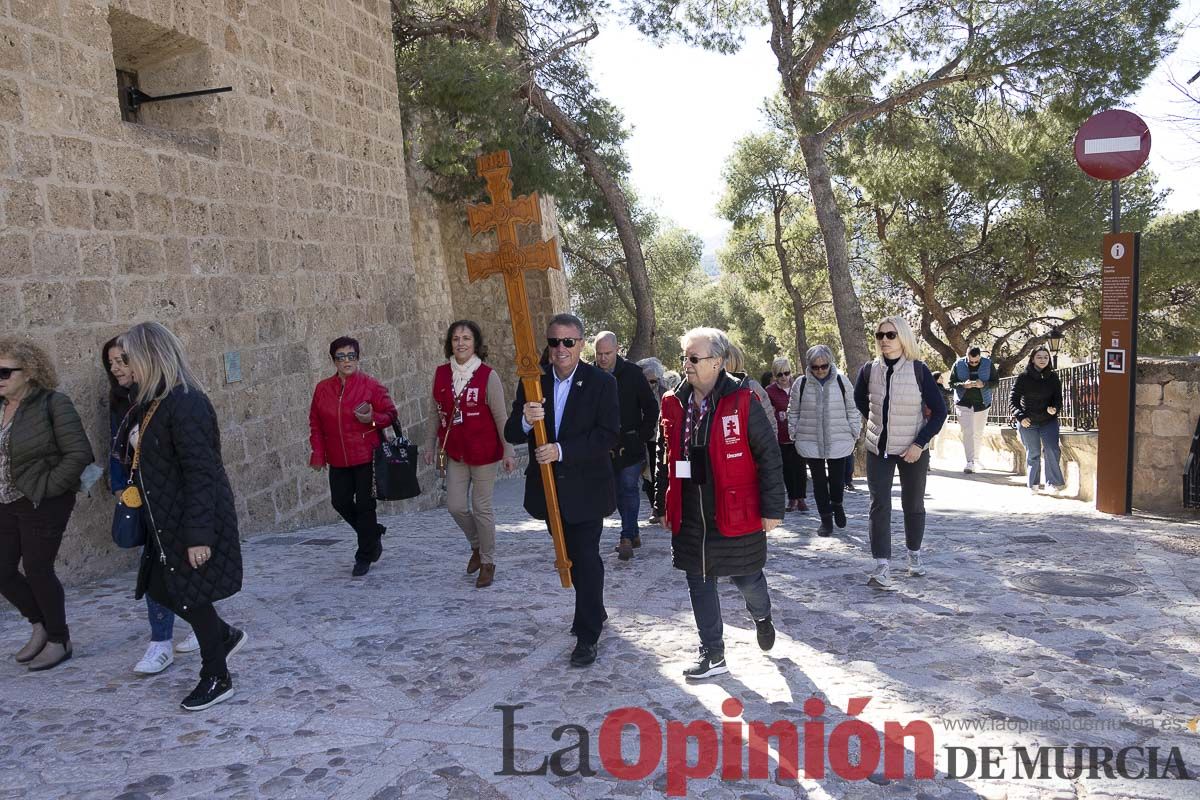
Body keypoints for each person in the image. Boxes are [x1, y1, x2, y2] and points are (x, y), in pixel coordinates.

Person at [118, 322, 246, 711]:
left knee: (189, 593)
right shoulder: (151, 402)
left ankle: (216, 675)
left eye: (128, 358)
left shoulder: (186, 402)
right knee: (159, 588)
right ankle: (222, 635)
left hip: (189, 519)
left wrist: (199, 535)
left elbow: (201, 472)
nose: (124, 366)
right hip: (165, 519)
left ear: (149, 356)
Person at [657, 328, 784, 680]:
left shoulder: (743, 400)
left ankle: (761, 615)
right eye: (684, 357)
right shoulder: (673, 401)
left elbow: (769, 455)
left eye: (693, 358)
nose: (686, 365)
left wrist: (772, 509)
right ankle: (713, 654)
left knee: (746, 578)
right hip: (691, 512)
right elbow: (664, 455)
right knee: (698, 581)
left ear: (717, 362)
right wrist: (662, 502)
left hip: (734, 510)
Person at [505, 314, 619, 668]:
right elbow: (511, 432)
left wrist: (561, 450)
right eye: (554, 342)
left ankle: (587, 635)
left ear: (581, 344)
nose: (561, 349)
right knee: (568, 551)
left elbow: (608, 435)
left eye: (568, 342)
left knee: (585, 557)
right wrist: (526, 418)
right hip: (550, 493)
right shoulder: (532, 383)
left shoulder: (600, 383)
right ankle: (595, 609)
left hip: (586, 488)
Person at [103, 337, 198, 674]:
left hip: (173, 499)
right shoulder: (120, 403)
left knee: (182, 563)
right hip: (142, 497)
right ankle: (162, 641)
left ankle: (205, 627)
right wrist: (119, 487)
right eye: (111, 362)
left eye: (122, 361)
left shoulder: (172, 401)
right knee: (155, 567)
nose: (115, 368)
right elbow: (116, 447)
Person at [0, 338, 93, 672]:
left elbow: (79, 453)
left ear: (29, 372)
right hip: (5, 501)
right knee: (3, 570)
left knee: (38, 570)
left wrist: (49, 487)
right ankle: (39, 625)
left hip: (44, 501)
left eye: (5, 371)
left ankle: (59, 639)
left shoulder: (54, 404)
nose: (0, 378)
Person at [854, 316, 947, 589]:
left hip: (912, 449)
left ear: (902, 337)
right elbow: (862, 400)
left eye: (890, 335)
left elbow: (940, 412)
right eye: (880, 335)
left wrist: (919, 443)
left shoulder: (919, 370)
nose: (884, 339)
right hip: (878, 450)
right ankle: (882, 563)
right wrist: (876, 425)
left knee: (913, 503)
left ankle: (914, 555)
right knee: (879, 504)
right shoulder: (869, 371)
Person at [422, 321, 516, 588]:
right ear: (449, 344)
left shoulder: (488, 375)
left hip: (485, 453)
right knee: (455, 505)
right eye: (455, 339)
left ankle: (487, 561)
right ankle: (477, 545)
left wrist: (508, 451)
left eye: (466, 338)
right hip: (456, 452)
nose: (460, 343)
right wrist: (429, 445)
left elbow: (501, 417)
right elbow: (434, 413)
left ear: (476, 343)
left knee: (481, 507)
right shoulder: (441, 374)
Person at [308, 336, 398, 576]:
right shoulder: (322, 389)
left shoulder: (370, 385)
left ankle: (364, 556)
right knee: (340, 501)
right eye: (341, 357)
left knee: (366, 506)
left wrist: (372, 419)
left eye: (351, 356)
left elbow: (390, 414)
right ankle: (372, 533)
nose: (346, 361)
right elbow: (315, 423)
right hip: (338, 458)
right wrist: (318, 453)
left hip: (367, 455)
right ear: (333, 361)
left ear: (357, 358)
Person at [593, 332, 658, 560]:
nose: (602, 358)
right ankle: (634, 532)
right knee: (616, 492)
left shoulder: (632, 374)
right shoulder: (590, 376)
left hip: (630, 446)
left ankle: (627, 537)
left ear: (617, 350)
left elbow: (651, 408)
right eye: (599, 354)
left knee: (628, 487)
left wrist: (641, 435)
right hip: (603, 447)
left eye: (607, 353)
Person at [788, 345, 861, 536]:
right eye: (815, 367)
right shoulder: (800, 384)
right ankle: (825, 519)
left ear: (830, 363)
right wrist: (793, 433)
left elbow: (852, 409)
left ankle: (837, 504)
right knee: (819, 482)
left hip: (839, 438)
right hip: (809, 439)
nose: (820, 370)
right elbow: (793, 411)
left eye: (824, 366)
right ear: (809, 366)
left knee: (837, 481)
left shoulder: (842, 382)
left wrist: (855, 431)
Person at [1010, 346, 1065, 494]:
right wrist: (1020, 417)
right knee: (1033, 453)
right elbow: (1013, 400)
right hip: (1028, 421)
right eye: (1039, 357)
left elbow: (1058, 399)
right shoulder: (1023, 377)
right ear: (1033, 359)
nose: (1043, 360)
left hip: (1048, 421)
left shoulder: (1053, 377)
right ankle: (1033, 484)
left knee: (1052, 449)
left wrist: (1054, 408)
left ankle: (1052, 483)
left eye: (1045, 357)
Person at [765, 357, 809, 512]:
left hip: (799, 434)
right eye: (779, 374)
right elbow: (767, 412)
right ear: (774, 375)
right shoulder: (769, 391)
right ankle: (792, 498)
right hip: (781, 435)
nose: (784, 377)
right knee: (787, 469)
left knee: (800, 468)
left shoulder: (799, 387)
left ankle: (801, 498)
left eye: (787, 373)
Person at [949, 347, 998, 474]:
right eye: (971, 362)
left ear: (980, 357)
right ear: (967, 357)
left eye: (976, 362)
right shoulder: (958, 364)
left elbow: (996, 382)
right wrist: (963, 385)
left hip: (982, 403)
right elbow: (951, 383)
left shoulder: (988, 364)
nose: (974, 364)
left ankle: (976, 458)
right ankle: (970, 462)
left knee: (978, 432)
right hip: (963, 403)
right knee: (968, 432)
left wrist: (984, 384)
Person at [724, 344, 778, 439]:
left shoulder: (752, 387)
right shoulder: (710, 391)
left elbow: (770, 424)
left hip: (751, 448)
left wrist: (771, 450)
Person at [636, 357, 667, 524]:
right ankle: (654, 506)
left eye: (653, 381)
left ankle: (660, 507)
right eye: (646, 381)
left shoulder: (665, 392)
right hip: (644, 436)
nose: (650, 384)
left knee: (659, 472)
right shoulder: (636, 391)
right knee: (646, 474)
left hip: (661, 438)